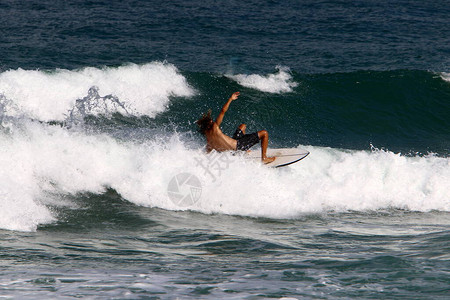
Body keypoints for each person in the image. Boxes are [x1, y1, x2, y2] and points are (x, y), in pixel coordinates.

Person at [196, 92, 275, 164]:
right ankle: (264, 158)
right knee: (264, 133)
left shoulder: (208, 140)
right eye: (211, 121)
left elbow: (208, 152)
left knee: (242, 126)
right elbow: (223, 111)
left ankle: (244, 151)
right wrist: (230, 99)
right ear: (210, 124)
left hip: (232, 150)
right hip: (239, 146)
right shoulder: (214, 127)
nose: (213, 121)